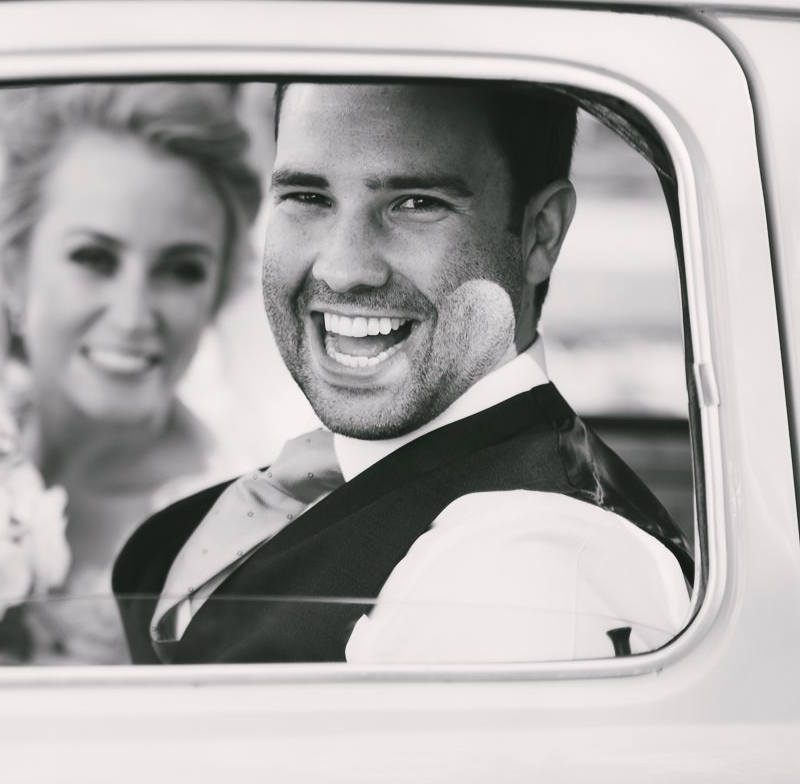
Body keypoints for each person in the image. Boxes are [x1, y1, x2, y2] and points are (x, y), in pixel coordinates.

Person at [114, 81, 694, 666]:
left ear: (540, 232)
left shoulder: (528, 571)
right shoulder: (358, 478)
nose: (342, 269)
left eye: (416, 203)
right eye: (308, 196)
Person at [0, 82, 265, 661]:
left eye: (181, 270)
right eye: (94, 258)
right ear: (14, 270)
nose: (133, 316)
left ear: (216, 295)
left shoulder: (238, 539)